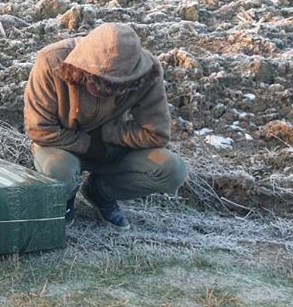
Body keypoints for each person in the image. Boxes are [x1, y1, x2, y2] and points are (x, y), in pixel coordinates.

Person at [24, 23, 187, 229]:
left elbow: (156, 134)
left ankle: (100, 192)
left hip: (112, 149)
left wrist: (107, 134)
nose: (100, 90)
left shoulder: (147, 72)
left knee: (172, 170)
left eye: (113, 86)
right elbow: (40, 129)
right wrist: (92, 147)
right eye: (93, 81)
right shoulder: (51, 60)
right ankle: (65, 197)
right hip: (59, 145)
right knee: (59, 170)